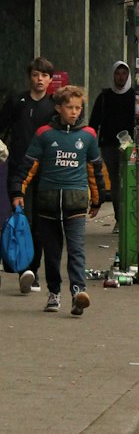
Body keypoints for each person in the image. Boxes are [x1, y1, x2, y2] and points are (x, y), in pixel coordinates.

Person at [11, 84, 106, 315]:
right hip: (47, 202)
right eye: (69, 107)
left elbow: (95, 170)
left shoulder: (89, 135)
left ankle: (78, 293)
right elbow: (28, 166)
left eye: (78, 108)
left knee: (76, 250)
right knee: (52, 254)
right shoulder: (44, 134)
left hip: (75, 202)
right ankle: (54, 293)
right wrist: (17, 192)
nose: (74, 112)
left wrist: (97, 199)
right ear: (58, 108)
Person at [0, 55, 56, 291]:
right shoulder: (17, 101)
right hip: (18, 171)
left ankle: (33, 270)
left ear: (50, 79)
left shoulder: (54, 105)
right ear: (29, 77)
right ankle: (22, 267)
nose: (39, 80)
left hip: (44, 172)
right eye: (35, 75)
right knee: (21, 219)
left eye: (44, 75)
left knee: (40, 224)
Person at [88, 60, 136, 230]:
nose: (121, 77)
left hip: (131, 146)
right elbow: (94, 123)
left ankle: (132, 218)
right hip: (109, 145)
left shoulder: (135, 96)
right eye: (118, 73)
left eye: (124, 74)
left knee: (131, 180)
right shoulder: (104, 97)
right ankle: (119, 219)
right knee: (116, 182)